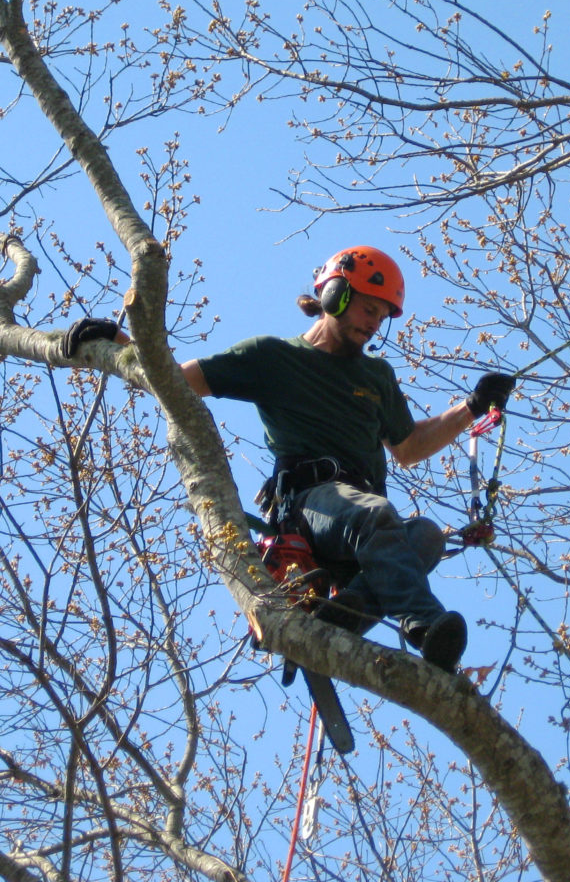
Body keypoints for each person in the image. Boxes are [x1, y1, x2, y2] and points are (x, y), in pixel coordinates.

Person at [176, 246, 514, 673]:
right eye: (368, 309)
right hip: (310, 506)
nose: (374, 324)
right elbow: (175, 379)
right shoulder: (273, 358)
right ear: (334, 295)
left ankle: (351, 609)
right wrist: (121, 344)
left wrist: (472, 407)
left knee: (427, 535)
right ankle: (424, 625)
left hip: (361, 529)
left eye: (381, 316)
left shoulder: (376, 377)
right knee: (374, 513)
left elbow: (408, 446)